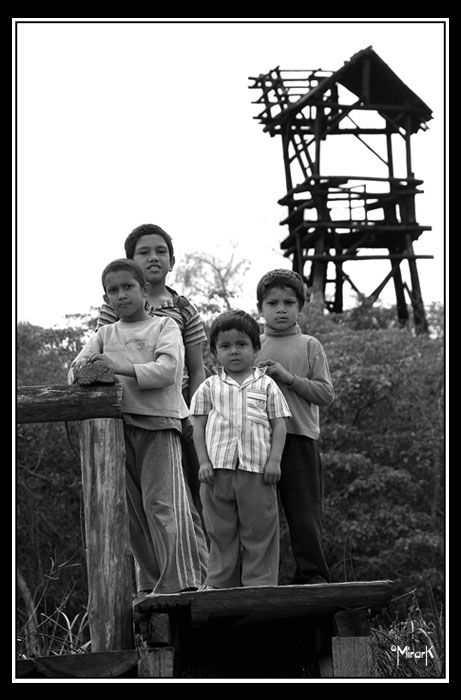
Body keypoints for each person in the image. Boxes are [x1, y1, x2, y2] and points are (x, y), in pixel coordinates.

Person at [69, 258, 207, 595]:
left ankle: (180, 581)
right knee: (132, 513)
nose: (120, 295)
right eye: (112, 291)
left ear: (144, 290)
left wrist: (117, 367)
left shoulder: (164, 327)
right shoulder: (104, 334)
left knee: (163, 504)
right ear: (107, 299)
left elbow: (167, 371)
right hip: (118, 428)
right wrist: (91, 371)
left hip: (158, 425)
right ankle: (151, 582)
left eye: (127, 287)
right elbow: (75, 371)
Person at [96, 223, 206, 522]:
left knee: (189, 490)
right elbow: (101, 356)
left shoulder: (183, 309)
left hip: (176, 406)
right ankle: (151, 568)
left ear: (172, 261)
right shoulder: (113, 310)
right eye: (143, 252)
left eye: (161, 251)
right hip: (130, 406)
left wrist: (196, 416)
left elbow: (197, 370)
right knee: (139, 498)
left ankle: (199, 564)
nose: (153, 257)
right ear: (131, 261)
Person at [190, 309, 291, 589]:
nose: (234, 351)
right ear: (214, 352)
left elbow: (279, 425)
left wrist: (275, 461)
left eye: (242, 344)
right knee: (220, 530)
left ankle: (259, 584)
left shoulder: (267, 384)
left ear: (256, 348)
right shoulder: (208, 387)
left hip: (257, 471)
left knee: (259, 530)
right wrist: (203, 463)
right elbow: (197, 427)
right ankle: (220, 583)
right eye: (225, 346)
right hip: (217, 472)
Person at [255, 269, 334, 585]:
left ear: (300, 306)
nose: (281, 309)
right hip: (258, 443)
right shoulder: (251, 345)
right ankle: (260, 579)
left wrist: (288, 378)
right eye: (272, 302)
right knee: (260, 516)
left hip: (299, 439)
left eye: (289, 302)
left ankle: (312, 576)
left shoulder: (309, 344)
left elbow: (325, 393)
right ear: (261, 308)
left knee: (304, 515)